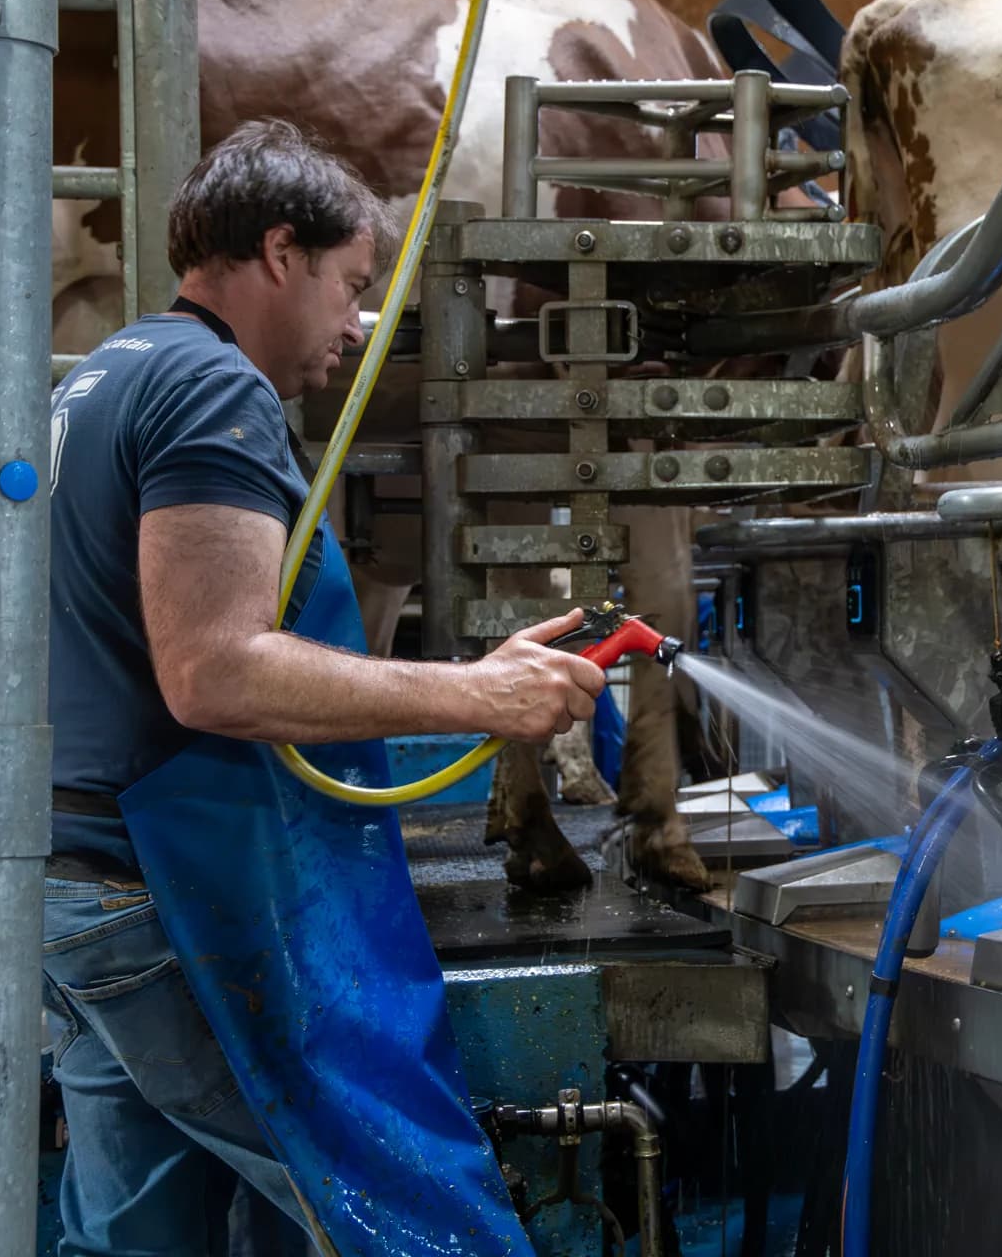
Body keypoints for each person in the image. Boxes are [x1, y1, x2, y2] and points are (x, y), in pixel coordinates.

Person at [41, 117, 604, 1255]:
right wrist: (481, 697)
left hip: (76, 879)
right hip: (173, 897)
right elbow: (214, 670)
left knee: (139, 1234)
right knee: (393, 1208)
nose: (356, 325)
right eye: (351, 285)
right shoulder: (214, 393)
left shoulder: (103, 375)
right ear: (280, 252)